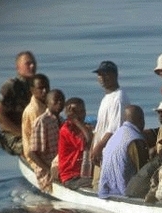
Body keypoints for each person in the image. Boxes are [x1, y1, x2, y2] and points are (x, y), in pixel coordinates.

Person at [90, 61, 130, 189]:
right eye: (100, 74)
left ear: (115, 75)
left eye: (106, 74)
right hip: (101, 152)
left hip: (109, 153)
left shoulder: (118, 98)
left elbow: (114, 129)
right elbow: (100, 128)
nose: (102, 78)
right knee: (97, 185)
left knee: (102, 188)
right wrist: (93, 147)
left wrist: (98, 147)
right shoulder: (107, 97)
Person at [98, 105, 149, 198]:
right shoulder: (135, 139)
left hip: (105, 191)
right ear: (141, 119)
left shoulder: (116, 135)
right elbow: (143, 173)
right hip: (123, 193)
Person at [0, 51, 37, 155]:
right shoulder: (11, 86)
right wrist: (21, 133)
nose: (32, 66)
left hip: (32, 132)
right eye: (28, 64)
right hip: (14, 135)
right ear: (18, 67)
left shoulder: (37, 86)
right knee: (34, 148)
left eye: (34, 63)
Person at [28, 89, 65, 192]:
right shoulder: (42, 122)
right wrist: (49, 170)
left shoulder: (62, 120)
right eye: (56, 100)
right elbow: (32, 153)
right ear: (47, 103)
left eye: (62, 100)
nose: (60, 103)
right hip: (46, 170)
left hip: (59, 167)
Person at [58, 97, 93, 190]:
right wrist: (75, 120)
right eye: (76, 113)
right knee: (97, 183)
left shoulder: (83, 127)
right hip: (71, 176)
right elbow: (88, 141)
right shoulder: (66, 130)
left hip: (82, 173)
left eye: (83, 111)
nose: (81, 115)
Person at [22, 73, 50, 165]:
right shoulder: (34, 111)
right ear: (32, 90)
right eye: (41, 88)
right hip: (36, 157)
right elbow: (37, 144)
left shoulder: (47, 104)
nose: (45, 91)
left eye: (46, 87)